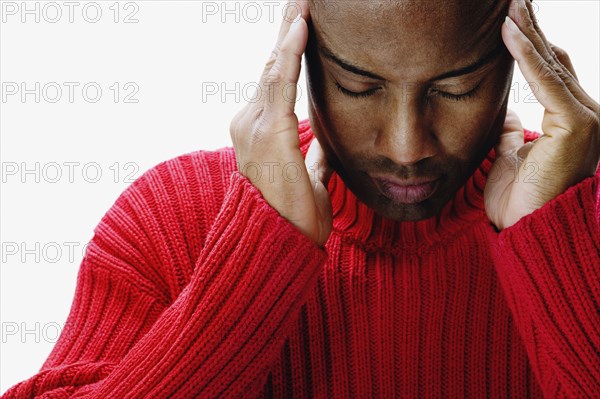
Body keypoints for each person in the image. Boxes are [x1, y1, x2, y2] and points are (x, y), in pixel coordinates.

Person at [2, 0, 598, 397]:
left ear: (523, 62)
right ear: (301, 54)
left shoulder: (582, 226)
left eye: (455, 87)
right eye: (358, 87)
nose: (406, 145)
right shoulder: (173, 220)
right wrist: (251, 268)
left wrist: (561, 247)